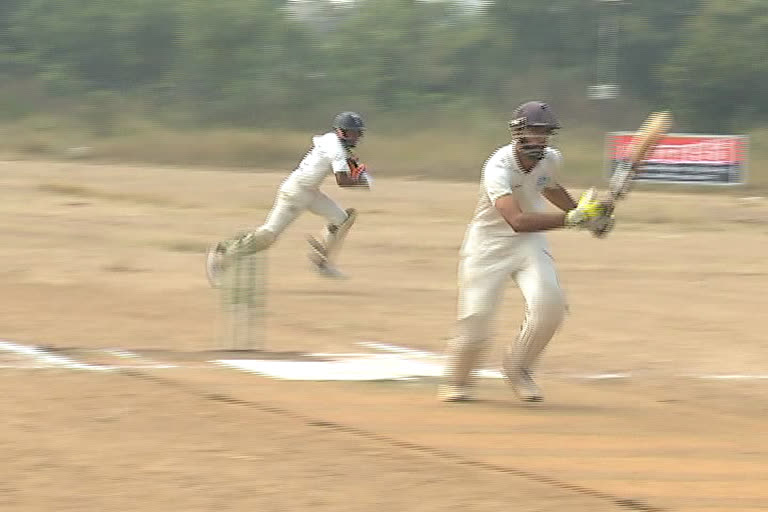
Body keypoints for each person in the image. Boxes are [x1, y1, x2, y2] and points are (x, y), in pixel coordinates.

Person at [438, 101, 614, 403]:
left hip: (529, 244)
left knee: (551, 305)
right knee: (476, 320)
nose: (540, 138)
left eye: (545, 133)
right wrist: (572, 219)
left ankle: (519, 367)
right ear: (518, 132)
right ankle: (458, 381)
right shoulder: (498, 166)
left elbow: (548, 187)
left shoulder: (550, 160)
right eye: (534, 131)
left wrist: (587, 216)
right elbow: (517, 220)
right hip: (488, 245)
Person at [206, 111, 371, 286]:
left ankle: (321, 262)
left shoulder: (333, 141)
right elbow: (343, 181)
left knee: (342, 219)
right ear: (342, 132)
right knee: (267, 237)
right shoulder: (336, 148)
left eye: (357, 133)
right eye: (353, 132)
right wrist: (363, 182)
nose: (356, 137)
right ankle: (222, 253)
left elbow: (348, 170)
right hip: (295, 192)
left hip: (310, 192)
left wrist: (358, 175)